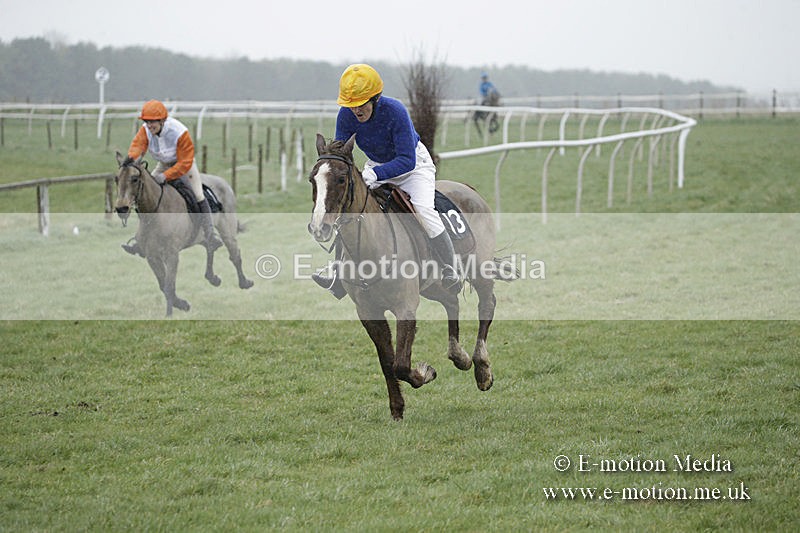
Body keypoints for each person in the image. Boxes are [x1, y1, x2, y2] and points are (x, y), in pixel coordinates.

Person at [312, 63, 461, 296]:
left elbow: (406, 161)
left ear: (375, 98)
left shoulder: (395, 111)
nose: (356, 111)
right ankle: (339, 270)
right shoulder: (346, 116)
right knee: (351, 208)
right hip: (376, 166)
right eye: (351, 106)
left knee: (423, 208)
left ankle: (451, 267)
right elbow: (341, 153)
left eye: (360, 105)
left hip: (414, 166)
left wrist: (376, 174)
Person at [121, 100, 221, 256]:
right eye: (146, 121)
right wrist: (130, 161)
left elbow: (184, 162)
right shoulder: (145, 130)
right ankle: (140, 239)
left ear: (162, 120)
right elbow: (137, 147)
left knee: (197, 194)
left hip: (184, 165)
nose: (149, 125)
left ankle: (210, 234)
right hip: (163, 164)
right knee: (146, 193)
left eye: (152, 122)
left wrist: (166, 176)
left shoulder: (179, 132)